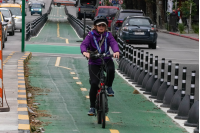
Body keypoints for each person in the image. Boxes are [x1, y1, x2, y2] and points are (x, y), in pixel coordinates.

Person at [80, 15, 120, 115]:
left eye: (103, 25)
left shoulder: (108, 35)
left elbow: (114, 43)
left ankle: (109, 86)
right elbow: (83, 44)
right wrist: (85, 52)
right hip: (94, 61)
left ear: (106, 26)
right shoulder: (91, 35)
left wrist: (116, 51)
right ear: (95, 26)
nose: (101, 27)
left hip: (106, 59)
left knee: (111, 70)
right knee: (94, 83)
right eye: (99, 25)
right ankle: (92, 107)